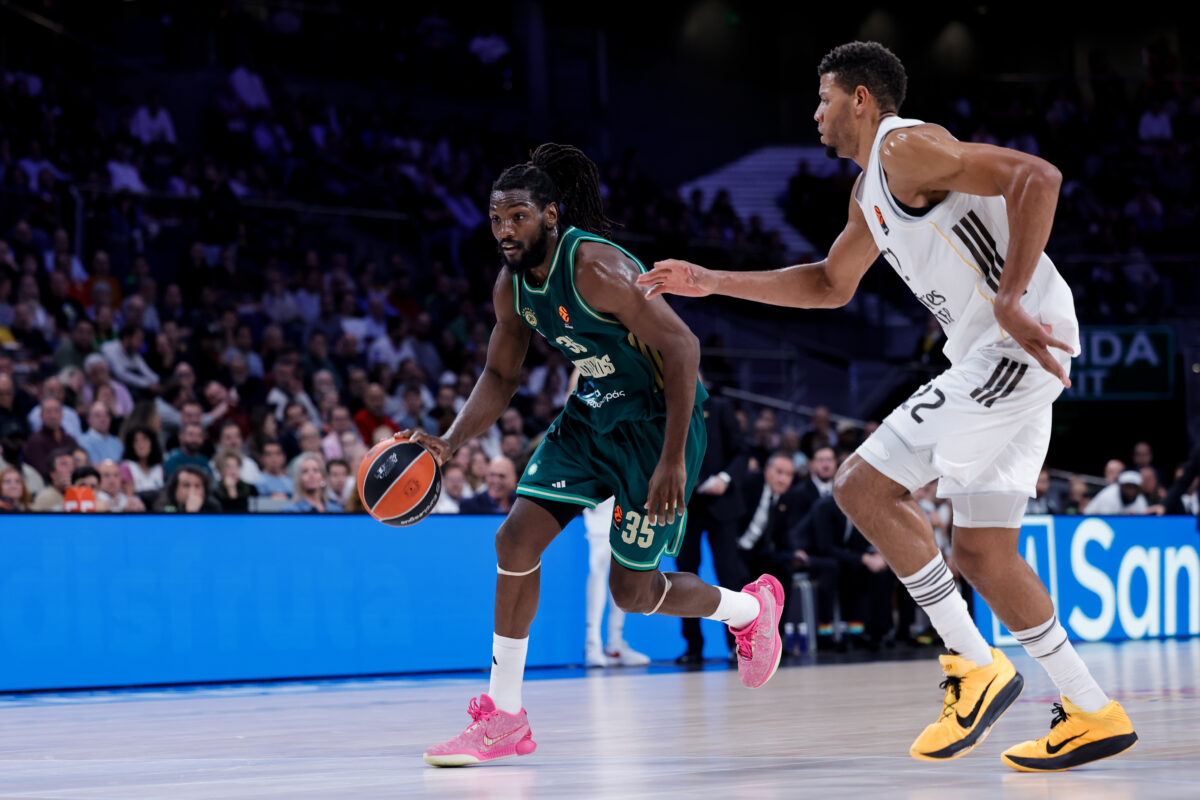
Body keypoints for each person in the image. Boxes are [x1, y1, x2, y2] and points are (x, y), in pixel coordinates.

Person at [639, 42, 1135, 772]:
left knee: (861, 486)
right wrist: (712, 280)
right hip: (998, 357)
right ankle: (1091, 709)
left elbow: (1038, 176)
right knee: (983, 555)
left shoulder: (905, 147)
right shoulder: (869, 190)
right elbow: (828, 284)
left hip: (1012, 345)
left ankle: (973, 665)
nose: (815, 113)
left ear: (861, 100)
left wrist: (1009, 296)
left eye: (824, 98)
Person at [409, 143, 784, 767]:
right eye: (497, 218)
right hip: (590, 418)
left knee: (632, 592)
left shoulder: (597, 269)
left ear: (550, 215)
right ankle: (503, 717)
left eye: (518, 217)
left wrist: (672, 461)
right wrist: (449, 442)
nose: (505, 231)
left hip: (656, 427)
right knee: (514, 541)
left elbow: (684, 349)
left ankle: (750, 609)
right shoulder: (511, 286)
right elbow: (500, 376)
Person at [581, 497, 651, 667]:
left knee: (622, 570)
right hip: (601, 499)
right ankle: (592, 645)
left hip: (627, 501)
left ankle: (614, 645)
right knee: (599, 568)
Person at [151, 465, 220, 513]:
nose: (192, 491)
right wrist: (190, 513)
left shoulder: (212, 507)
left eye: (197, 486)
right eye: (186, 485)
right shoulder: (163, 505)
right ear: (174, 488)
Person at [1084, 470, 1150, 515]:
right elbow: (1107, 521)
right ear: (1120, 486)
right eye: (1128, 487)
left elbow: (1142, 518)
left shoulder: (1140, 498)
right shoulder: (1109, 495)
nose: (1131, 491)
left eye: (1134, 487)